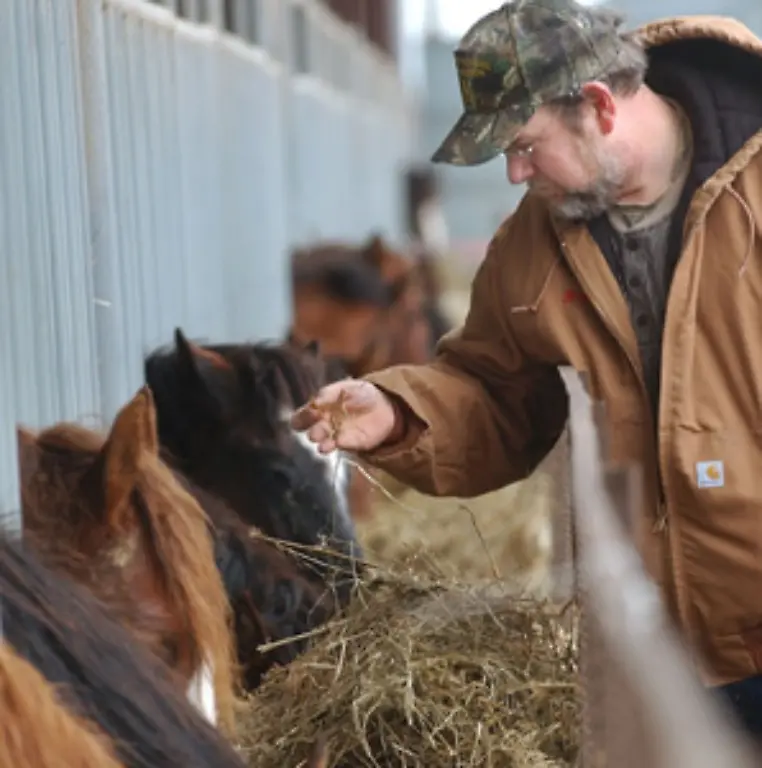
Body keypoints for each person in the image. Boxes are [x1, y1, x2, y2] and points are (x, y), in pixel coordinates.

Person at [291, 0, 762, 740]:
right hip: (662, 654)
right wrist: (397, 411)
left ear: (599, 107)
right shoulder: (535, 244)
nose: (514, 173)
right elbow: (494, 390)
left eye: (524, 145)